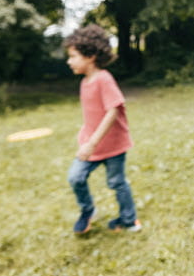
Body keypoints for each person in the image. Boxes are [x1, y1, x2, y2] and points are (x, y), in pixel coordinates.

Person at [64, 24, 141, 234]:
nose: (69, 61)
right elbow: (92, 114)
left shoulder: (104, 79)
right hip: (91, 146)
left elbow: (112, 111)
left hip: (113, 145)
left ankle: (129, 219)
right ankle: (87, 211)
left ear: (89, 56)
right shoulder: (85, 83)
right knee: (75, 177)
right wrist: (85, 135)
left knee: (117, 182)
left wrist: (92, 142)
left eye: (73, 56)